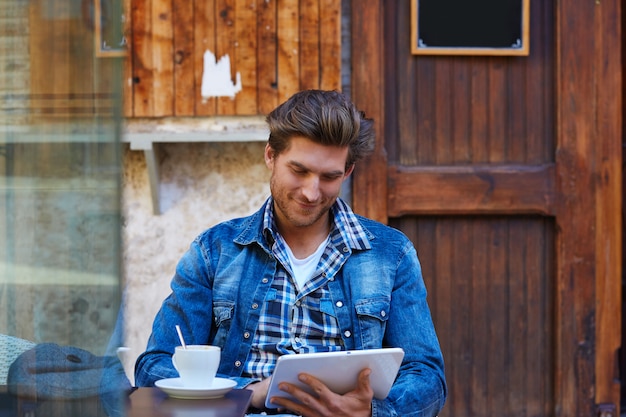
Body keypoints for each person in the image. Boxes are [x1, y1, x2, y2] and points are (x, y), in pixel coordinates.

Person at [134, 90, 447, 417]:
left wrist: (371, 412)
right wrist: (249, 394)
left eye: (329, 177)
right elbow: (153, 368)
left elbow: (427, 377)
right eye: (299, 171)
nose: (312, 193)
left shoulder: (391, 254)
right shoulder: (214, 251)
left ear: (348, 172)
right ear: (270, 155)